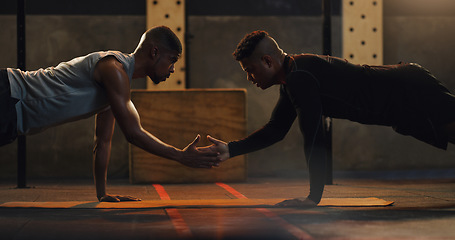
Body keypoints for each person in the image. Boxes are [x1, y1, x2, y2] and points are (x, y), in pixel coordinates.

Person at [206, 30, 455, 208]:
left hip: (410, 91)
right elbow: (277, 129)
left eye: (251, 70)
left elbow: (314, 135)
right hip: (403, 97)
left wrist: (313, 197)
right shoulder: (294, 76)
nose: (250, 78)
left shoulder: (299, 77)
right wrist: (230, 149)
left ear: (268, 61)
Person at [0, 26, 221, 202]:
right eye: (172, 60)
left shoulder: (117, 87)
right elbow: (133, 134)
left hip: (13, 117)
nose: (173, 69)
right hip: (8, 95)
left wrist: (102, 193)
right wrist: (179, 155)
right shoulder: (113, 68)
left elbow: (102, 141)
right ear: (155, 52)